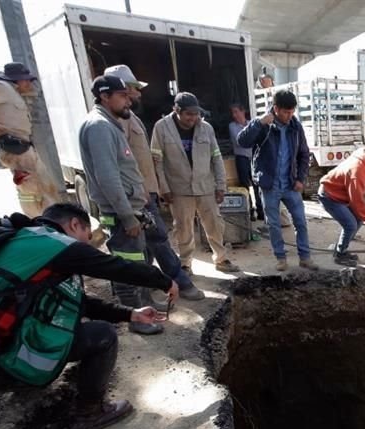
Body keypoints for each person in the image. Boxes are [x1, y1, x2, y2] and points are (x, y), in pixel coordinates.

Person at [0, 204, 178, 429]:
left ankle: (5, 380)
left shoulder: (21, 242)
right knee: (103, 335)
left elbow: (77, 302)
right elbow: (113, 266)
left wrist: (130, 314)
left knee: (67, 321)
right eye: (87, 235)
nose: (87, 244)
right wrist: (163, 280)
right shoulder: (54, 244)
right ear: (74, 225)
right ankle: (90, 412)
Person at [103, 65, 205, 302]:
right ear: (121, 90)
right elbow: (117, 168)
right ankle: (177, 284)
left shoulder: (129, 117)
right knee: (155, 242)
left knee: (149, 246)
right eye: (133, 89)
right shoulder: (116, 123)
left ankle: (148, 293)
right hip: (135, 197)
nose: (138, 94)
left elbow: (140, 158)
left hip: (144, 191)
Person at [78, 75, 164, 335]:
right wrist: (127, 216)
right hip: (121, 213)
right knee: (127, 268)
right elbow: (108, 177)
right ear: (105, 96)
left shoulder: (109, 124)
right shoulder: (99, 127)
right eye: (123, 95)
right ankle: (135, 318)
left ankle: (146, 304)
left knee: (142, 261)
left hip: (133, 206)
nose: (129, 100)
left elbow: (124, 170)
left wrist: (141, 195)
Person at [149, 92, 239, 276]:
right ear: (177, 110)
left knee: (215, 224)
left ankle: (221, 258)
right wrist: (163, 188)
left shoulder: (206, 128)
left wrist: (221, 185)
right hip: (179, 189)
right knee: (183, 228)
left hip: (205, 186)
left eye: (196, 114)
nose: (193, 118)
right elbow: (156, 161)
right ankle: (185, 264)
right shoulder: (161, 128)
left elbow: (216, 157)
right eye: (189, 114)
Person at [236, 89, 318, 272]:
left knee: (300, 221)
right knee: (274, 224)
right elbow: (242, 141)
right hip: (269, 185)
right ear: (276, 109)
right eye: (286, 112)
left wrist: (300, 179)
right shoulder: (263, 125)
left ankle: (305, 257)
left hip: (290, 184)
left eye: (292, 112)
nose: (290, 116)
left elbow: (304, 154)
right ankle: (280, 258)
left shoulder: (295, 127)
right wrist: (258, 123)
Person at [0, 62, 61, 218]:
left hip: (22, 146)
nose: (28, 83)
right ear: (17, 79)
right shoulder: (1, 87)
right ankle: (38, 219)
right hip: (15, 147)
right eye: (26, 80)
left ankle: (50, 217)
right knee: (30, 188)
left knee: (40, 184)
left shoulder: (12, 92)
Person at [317, 145, 365, 266]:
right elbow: (357, 200)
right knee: (350, 225)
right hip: (330, 195)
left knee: (358, 220)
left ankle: (342, 249)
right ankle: (340, 254)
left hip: (340, 194)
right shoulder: (358, 169)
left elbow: (363, 182)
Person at [228, 103, 265, 221]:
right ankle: (249, 211)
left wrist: (249, 136)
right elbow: (240, 141)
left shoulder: (251, 124)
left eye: (236, 111)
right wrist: (249, 135)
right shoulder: (232, 126)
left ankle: (260, 211)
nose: (234, 115)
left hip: (253, 157)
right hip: (242, 158)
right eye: (233, 112)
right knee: (245, 186)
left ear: (242, 111)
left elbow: (255, 139)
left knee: (257, 185)